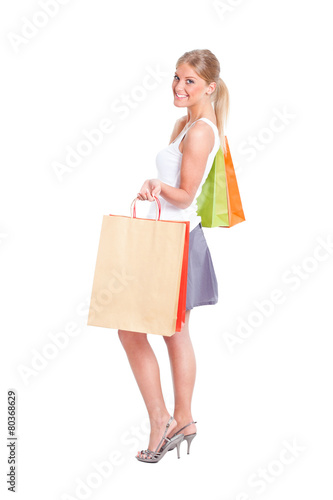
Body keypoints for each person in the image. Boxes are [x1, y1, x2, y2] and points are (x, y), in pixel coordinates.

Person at [118, 49, 229, 463]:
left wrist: (155, 185)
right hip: (165, 236)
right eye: (177, 78)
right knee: (167, 331)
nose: (179, 87)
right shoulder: (185, 125)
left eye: (190, 82)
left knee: (153, 331)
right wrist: (155, 193)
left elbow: (184, 194)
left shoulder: (200, 130)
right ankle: (178, 419)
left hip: (176, 240)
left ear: (210, 88)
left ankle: (167, 419)